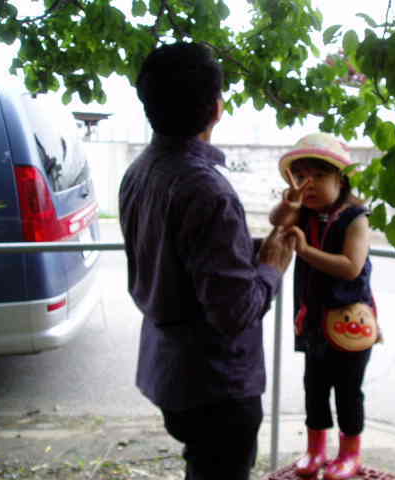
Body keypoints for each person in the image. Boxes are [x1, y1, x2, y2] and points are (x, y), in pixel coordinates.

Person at [118, 42, 295, 480]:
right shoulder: (207, 191)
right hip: (217, 389)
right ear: (217, 108)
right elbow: (234, 311)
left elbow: (185, 257)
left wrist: (250, 247)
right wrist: (272, 267)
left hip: (170, 374)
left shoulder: (139, 172)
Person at [269, 132, 378, 480]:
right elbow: (277, 221)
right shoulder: (304, 213)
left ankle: (349, 455)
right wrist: (290, 203)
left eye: (318, 175)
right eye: (300, 176)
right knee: (314, 388)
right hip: (314, 319)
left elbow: (351, 267)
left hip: (349, 323)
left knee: (348, 391)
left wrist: (305, 251)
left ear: (340, 179)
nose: (309, 184)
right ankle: (315, 451)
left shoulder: (356, 218)